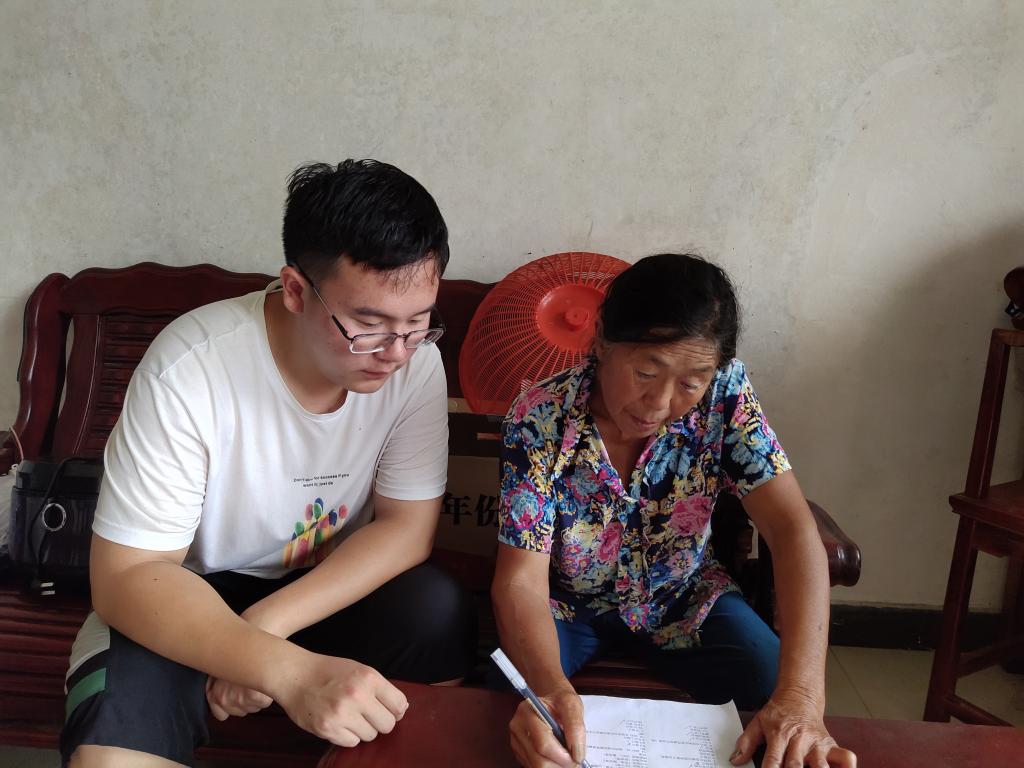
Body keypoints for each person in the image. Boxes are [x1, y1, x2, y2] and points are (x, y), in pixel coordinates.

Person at [62, 160, 476, 767]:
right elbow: (129, 575)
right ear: (295, 290)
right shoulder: (193, 368)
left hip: (321, 589)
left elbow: (406, 528)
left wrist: (267, 628)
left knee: (433, 608)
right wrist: (282, 669)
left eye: (417, 324)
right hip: (184, 594)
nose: (395, 353)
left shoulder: (415, 365)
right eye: (368, 325)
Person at [492, 253, 856, 768]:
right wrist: (549, 688)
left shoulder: (726, 397)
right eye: (646, 371)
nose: (660, 402)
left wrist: (802, 698)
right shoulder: (540, 416)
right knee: (517, 708)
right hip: (568, 606)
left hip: (684, 599)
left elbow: (791, 528)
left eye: (690, 382)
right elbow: (521, 579)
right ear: (602, 340)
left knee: (770, 685)